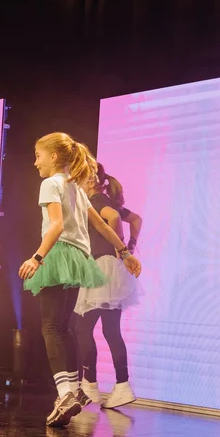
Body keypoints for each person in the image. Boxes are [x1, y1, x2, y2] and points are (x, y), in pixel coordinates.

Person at [18, 133, 141, 428]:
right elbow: (102, 226)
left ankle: (65, 394)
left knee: (51, 327)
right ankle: (74, 390)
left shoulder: (51, 183)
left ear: (54, 157)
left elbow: (56, 225)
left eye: (38, 156)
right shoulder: (75, 188)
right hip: (79, 259)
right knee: (65, 328)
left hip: (58, 254)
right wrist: (125, 253)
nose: (35, 163)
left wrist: (37, 257)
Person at [73, 164, 143, 409]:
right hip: (110, 269)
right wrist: (128, 246)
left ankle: (90, 385)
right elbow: (136, 219)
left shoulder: (95, 201)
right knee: (110, 330)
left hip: (101, 268)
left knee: (81, 327)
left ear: (91, 180)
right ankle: (121, 386)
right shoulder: (105, 200)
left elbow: (112, 217)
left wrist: (120, 249)